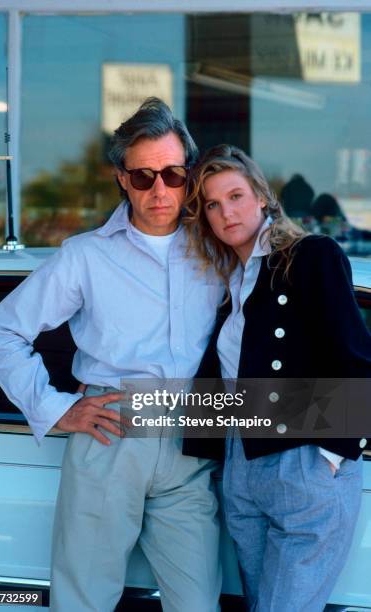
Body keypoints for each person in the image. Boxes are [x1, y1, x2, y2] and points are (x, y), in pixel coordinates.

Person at [0, 98, 224, 612]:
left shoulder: (216, 250)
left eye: (174, 174)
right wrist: (57, 408)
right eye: (143, 177)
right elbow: (1, 330)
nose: (160, 189)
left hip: (193, 436)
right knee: (83, 601)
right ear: (121, 178)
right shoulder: (85, 257)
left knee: (199, 603)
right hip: (112, 431)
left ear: (190, 175)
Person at [184, 143, 371, 612]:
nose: (226, 212)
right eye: (212, 203)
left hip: (303, 459)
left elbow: (354, 357)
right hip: (242, 462)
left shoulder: (312, 256)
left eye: (236, 195)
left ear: (262, 197)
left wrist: (330, 456)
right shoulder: (231, 280)